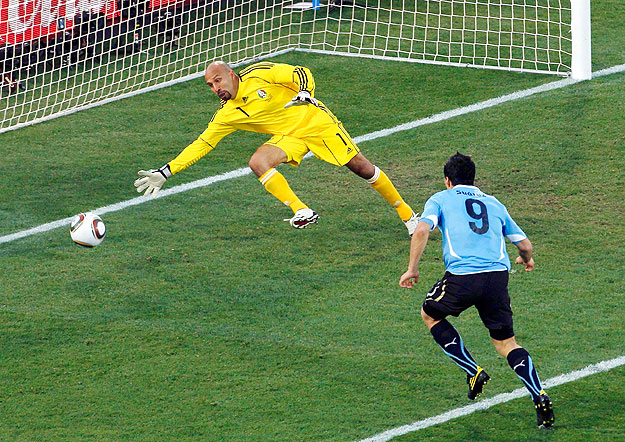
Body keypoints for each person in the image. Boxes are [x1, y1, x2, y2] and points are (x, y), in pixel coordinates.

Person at [134, 60, 419, 233]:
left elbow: (299, 72)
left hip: (314, 121)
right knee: (258, 162)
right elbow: (202, 144)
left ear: (231, 74)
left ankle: (408, 215)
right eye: (210, 85)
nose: (215, 88)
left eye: (217, 80)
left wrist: (305, 93)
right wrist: (166, 171)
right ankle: (301, 210)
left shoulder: (258, 74)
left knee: (363, 169)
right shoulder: (227, 113)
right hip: (289, 137)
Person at [399, 153, 555, 429]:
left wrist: (412, 269)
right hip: (497, 278)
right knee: (506, 343)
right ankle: (538, 394)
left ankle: (473, 371)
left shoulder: (441, 198)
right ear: (473, 178)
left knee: (430, 314)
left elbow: (422, 229)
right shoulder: (494, 203)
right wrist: (526, 259)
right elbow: (525, 244)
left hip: (463, 277)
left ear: (448, 180)